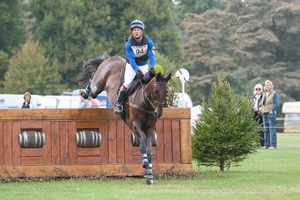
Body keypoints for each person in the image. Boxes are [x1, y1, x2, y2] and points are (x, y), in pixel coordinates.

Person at [114, 19, 156, 115]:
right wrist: (136, 70)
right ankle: (119, 104)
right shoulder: (128, 44)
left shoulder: (149, 42)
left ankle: (153, 104)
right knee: (127, 82)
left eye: (138, 30)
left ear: (142, 31)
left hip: (144, 65)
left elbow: (152, 55)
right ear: (132, 31)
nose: (136, 32)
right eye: (134, 30)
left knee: (150, 83)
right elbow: (131, 59)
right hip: (132, 66)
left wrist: (152, 67)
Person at [261, 80, 280, 149]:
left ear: (271, 86)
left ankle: (273, 145)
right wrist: (261, 110)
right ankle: (266, 145)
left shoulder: (274, 93)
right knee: (266, 130)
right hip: (264, 113)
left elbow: (277, 104)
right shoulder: (264, 94)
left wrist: (272, 110)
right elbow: (263, 104)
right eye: (266, 85)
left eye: (268, 85)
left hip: (271, 114)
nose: (267, 86)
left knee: (272, 129)